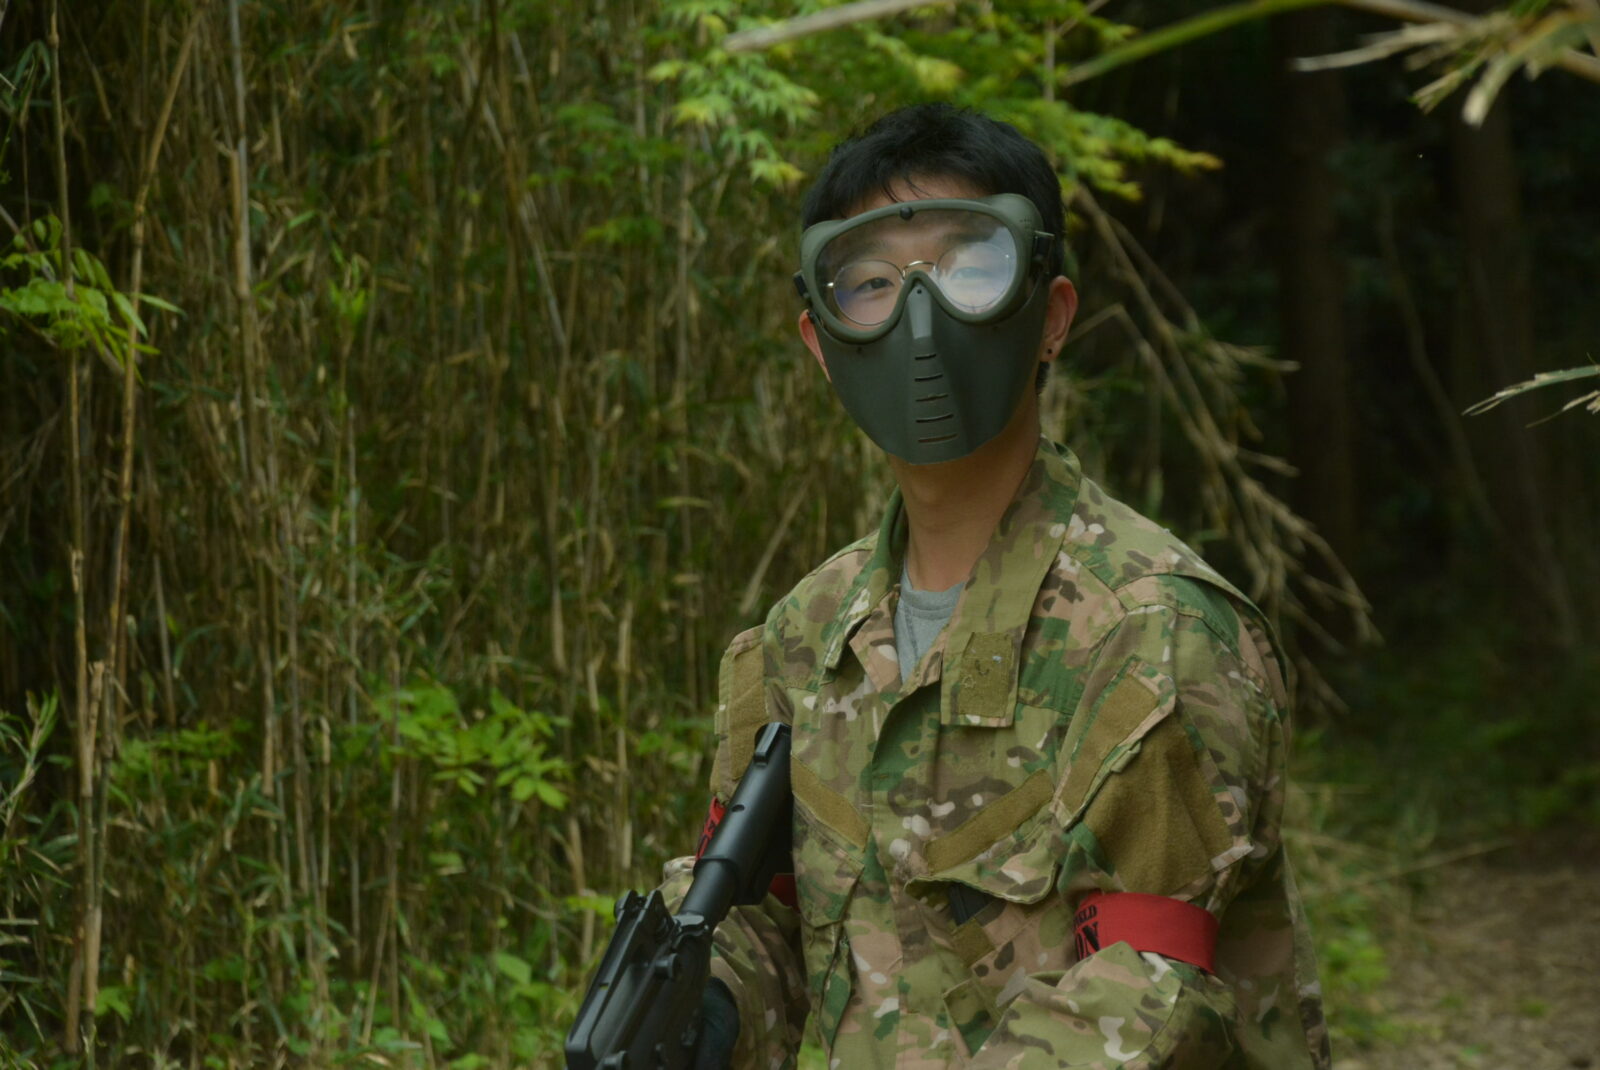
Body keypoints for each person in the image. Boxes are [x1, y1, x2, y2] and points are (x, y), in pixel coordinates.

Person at [663, 103, 1331, 1070]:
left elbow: (1141, 1000)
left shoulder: (1156, 629)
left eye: (967, 268)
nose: (919, 319)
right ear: (821, 344)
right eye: (872, 284)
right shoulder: (802, 639)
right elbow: (763, 919)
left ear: (1050, 315)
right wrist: (698, 1004)